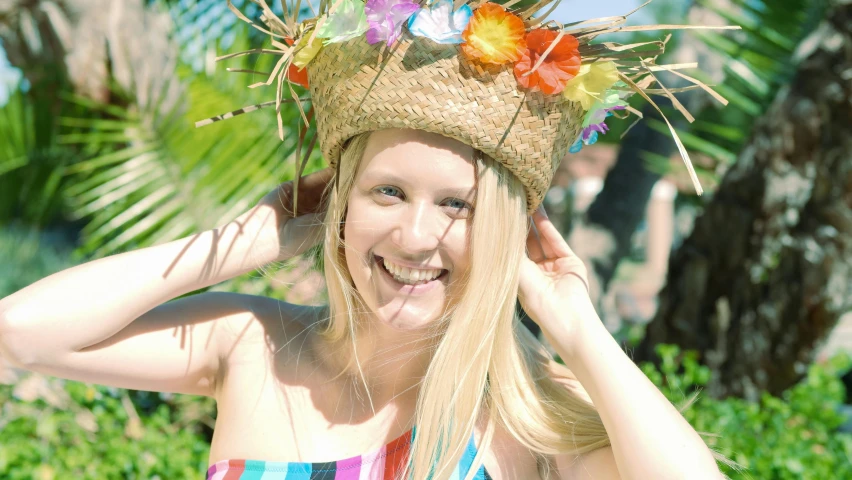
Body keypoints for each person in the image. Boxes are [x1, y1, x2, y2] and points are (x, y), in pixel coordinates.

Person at [0, 0, 737, 478]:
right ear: (339, 203)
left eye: (459, 205)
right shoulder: (251, 344)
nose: (417, 236)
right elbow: (20, 333)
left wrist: (576, 329)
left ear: (506, 231)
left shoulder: (533, 411)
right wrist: (247, 240)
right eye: (388, 191)